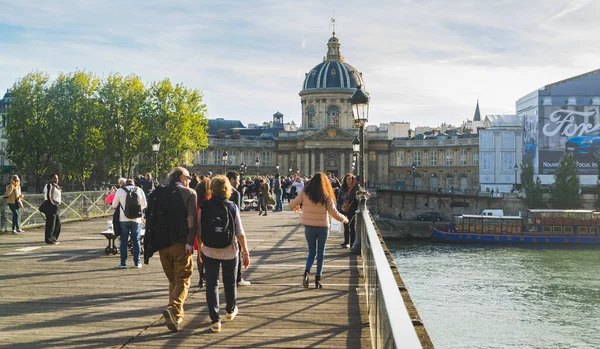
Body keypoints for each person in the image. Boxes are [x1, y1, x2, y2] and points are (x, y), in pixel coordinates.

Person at [198, 175, 251, 333]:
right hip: (229, 250)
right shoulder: (232, 206)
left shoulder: (204, 206)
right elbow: (240, 233)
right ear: (227, 189)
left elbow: (198, 231)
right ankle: (230, 310)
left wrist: (201, 248)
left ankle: (215, 320)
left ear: (211, 189)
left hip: (209, 250)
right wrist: (246, 252)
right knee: (230, 283)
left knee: (212, 285)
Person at [288, 172, 348, 289]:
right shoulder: (326, 195)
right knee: (321, 253)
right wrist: (345, 219)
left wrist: (299, 206)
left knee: (311, 252)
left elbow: (290, 205)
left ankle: (306, 272)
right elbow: (333, 213)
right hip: (323, 227)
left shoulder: (305, 192)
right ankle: (318, 280)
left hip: (309, 227)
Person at [159, 167, 198, 332]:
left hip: (163, 245)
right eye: (188, 177)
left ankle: (176, 316)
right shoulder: (189, 193)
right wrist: (190, 242)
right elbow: (192, 219)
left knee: (173, 280)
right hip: (181, 244)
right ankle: (173, 308)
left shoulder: (159, 192)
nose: (190, 180)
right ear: (182, 178)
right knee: (183, 278)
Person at [112, 178, 147, 268]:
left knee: (123, 241)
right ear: (134, 184)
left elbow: (114, 205)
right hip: (136, 220)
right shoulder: (139, 190)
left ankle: (123, 263)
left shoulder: (120, 190)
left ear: (125, 184)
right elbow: (144, 204)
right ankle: (137, 262)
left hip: (123, 219)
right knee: (136, 240)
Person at [226, 171, 251, 287]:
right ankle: (238, 278)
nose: (239, 182)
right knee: (237, 253)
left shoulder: (215, 192)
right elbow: (237, 213)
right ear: (231, 180)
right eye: (237, 180)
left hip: (217, 229)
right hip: (232, 229)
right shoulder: (235, 193)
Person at [193, 176, 211, 288]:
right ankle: (208, 276)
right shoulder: (209, 200)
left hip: (196, 230)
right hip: (207, 230)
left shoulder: (195, 200)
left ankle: (200, 277)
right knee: (208, 254)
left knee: (199, 254)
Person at [337, 173, 359, 248]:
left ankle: (352, 243)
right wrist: (339, 207)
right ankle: (346, 242)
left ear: (352, 179)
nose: (348, 180)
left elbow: (355, 198)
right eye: (347, 179)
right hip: (343, 208)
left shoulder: (355, 188)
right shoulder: (343, 187)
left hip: (351, 209)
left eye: (350, 179)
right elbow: (339, 198)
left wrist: (347, 197)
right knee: (345, 226)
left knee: (352, 226)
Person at [42, 173, 62, 245]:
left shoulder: (55, 186)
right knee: (50, 223)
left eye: (57, 178)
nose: (56, 180)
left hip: (55, 205)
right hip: (50, 205)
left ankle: (53, 238)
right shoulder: (49, 185)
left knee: (57, 223)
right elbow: (48, 196)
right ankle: (48, 239)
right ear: (51, 179)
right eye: (54, 178)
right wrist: (53, 204)